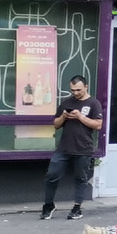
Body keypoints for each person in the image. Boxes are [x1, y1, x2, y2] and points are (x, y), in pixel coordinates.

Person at [41, 75, 103, 220]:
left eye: (78, 90)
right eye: (73, 90)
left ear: (86, 87)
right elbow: (56, 125)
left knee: (80, 178)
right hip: (64, 147)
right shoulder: (67, 102)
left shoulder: (94, 103)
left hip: (83, 148)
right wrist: (63, 116)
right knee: (51, 175)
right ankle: (48, 205)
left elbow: (98, 125)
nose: (75, 93)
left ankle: (77, 208)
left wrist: (80, 117)